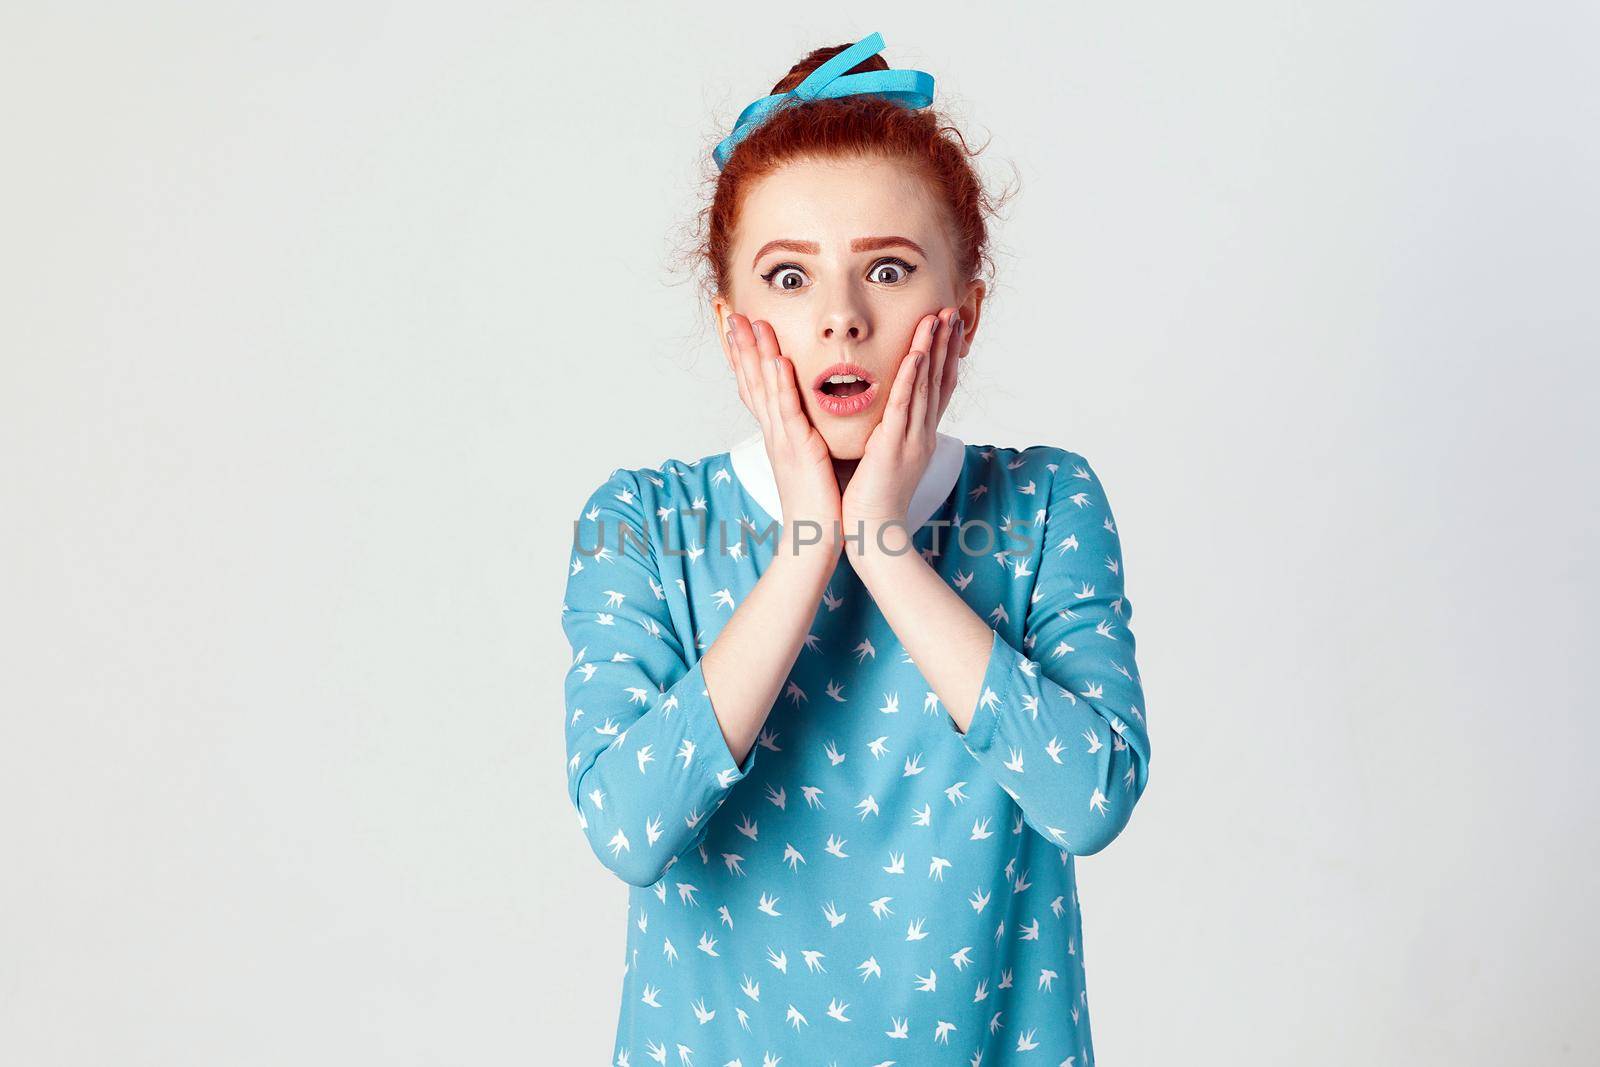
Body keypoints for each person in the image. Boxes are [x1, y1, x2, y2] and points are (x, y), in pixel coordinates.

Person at [560, 31, 1151, 1066]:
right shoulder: (644, 525)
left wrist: (884, 546)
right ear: (731, 319)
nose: (839, 318)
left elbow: (1089, 798)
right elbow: (624, 825)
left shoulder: (1046, 503)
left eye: (886, 268)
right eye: (789, 278)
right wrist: (806, 547)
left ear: (962, 314)